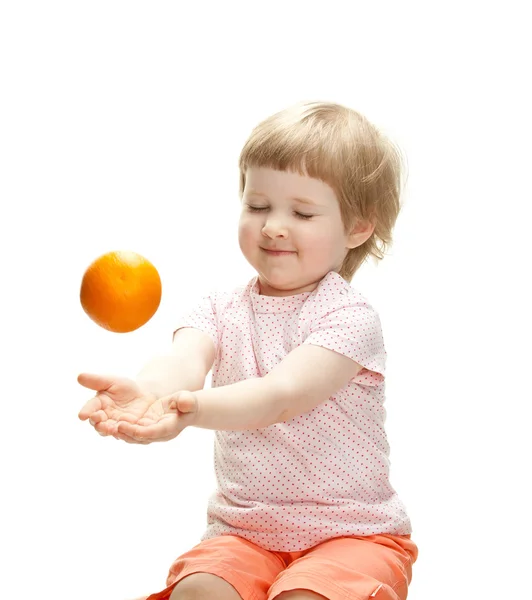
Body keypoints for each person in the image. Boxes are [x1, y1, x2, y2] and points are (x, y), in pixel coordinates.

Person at [78, 101, 418, 600]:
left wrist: (190, 411)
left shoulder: (347, 317)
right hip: (245, 533)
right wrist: (151, 392)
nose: (273, 226)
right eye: (258, 205)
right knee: (200, 591)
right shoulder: (219, 308)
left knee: (304, 596)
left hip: (354, 534)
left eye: (301, 212)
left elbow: (282, 395)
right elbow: (183, 361)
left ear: (357, 228)